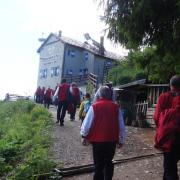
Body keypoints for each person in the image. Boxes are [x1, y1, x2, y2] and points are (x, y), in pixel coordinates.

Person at [80, 86, 125, 180]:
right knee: (109, 162)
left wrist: (84, 136)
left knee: (98, 165)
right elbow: (121, 126)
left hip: (97, 141)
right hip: (111, 140)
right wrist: (121, 140)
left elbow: (87, 124)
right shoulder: (116, 107)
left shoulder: (94, 106)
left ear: (99, 94)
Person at [154, 75, 180, 180]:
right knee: (169, 168)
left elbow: (156, 118)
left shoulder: (163, 97)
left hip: (169, 139)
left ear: (171, 85)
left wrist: (162, 129)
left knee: (170, 169)